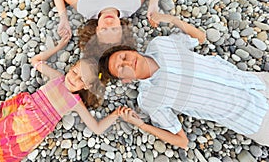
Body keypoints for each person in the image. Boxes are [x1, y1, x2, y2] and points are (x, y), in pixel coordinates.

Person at [99, 12, 269, 149]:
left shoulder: (160, 45)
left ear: (131, 50)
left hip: (256, 81)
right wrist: (141, 125)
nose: (128, 62)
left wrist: (171, 19)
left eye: (123, 57)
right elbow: (181, 141)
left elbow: (200, 38)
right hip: (254, 118)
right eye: (122, 68)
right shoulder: (150, 99)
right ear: (126, 80)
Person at [0, 36, 129, 162]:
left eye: (81, 80)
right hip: (11, 124)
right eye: (74, 72)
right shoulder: (57, 78)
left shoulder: (75, 103)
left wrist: (116, 114)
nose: (74, 79)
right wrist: (58, 46)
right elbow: (35, 61)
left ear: (87, 86)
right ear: (71, 68)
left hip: (23, 142)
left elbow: (97, 128)